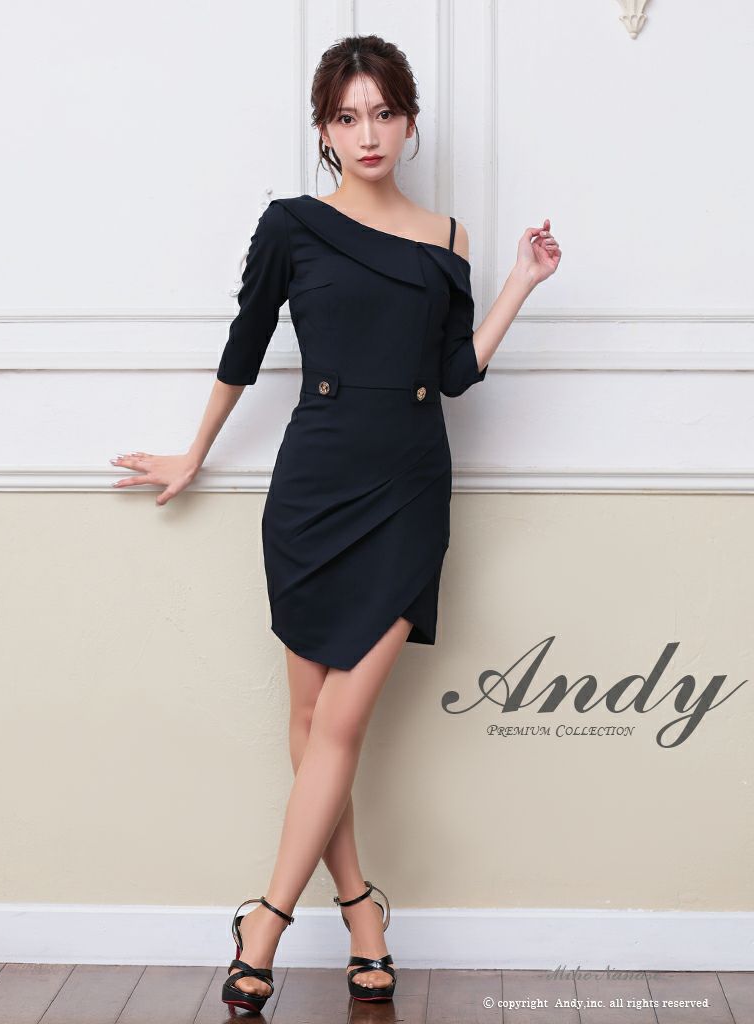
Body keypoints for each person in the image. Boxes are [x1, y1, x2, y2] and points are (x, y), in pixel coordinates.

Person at [109, 33, 561, 1015]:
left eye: (384, 113)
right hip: (312, 489)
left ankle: (263, 925)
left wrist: (520, 284)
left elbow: (453, 375)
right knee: (314, 724)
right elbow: (243, 345)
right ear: (324, 128)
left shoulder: (448, 239)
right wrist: (193, 452)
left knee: (341, 722)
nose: (368, 133)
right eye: (348, 116)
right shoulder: (293, 226)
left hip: (407, 491)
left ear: (409, 121)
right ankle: (362, 915)